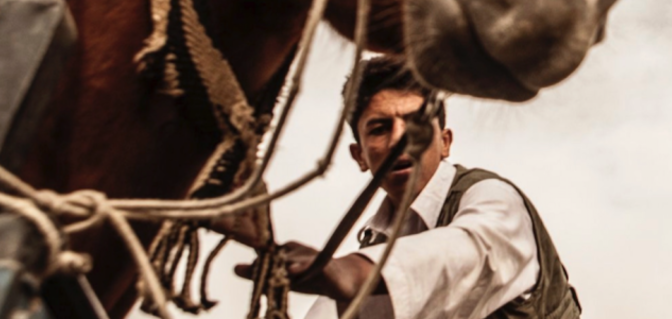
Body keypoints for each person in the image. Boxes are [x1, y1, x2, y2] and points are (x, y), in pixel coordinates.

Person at [236, 56, 581, 319]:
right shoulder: (376, 242)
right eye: (379, 128)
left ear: (445, 142)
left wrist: (354, 273)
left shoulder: (490, 197)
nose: (399, 140)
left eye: (416, 123)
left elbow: (473, 252)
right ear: (359, 156)